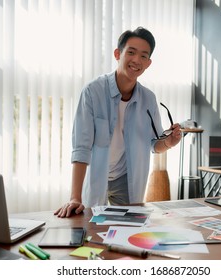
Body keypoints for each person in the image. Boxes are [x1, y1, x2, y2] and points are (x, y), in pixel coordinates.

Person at [55, 27, 182, 218]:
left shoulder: (148, 98)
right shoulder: (93, 91)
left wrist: (169, 142)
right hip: (98, 174)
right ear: (118, 54)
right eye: (131, 52)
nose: (136, 60)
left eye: (143, 56)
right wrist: (75, 197)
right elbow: (81, 147)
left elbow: (154, 145)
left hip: (127, 178)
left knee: (128, 231)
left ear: (148, 63)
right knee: (92, 230)